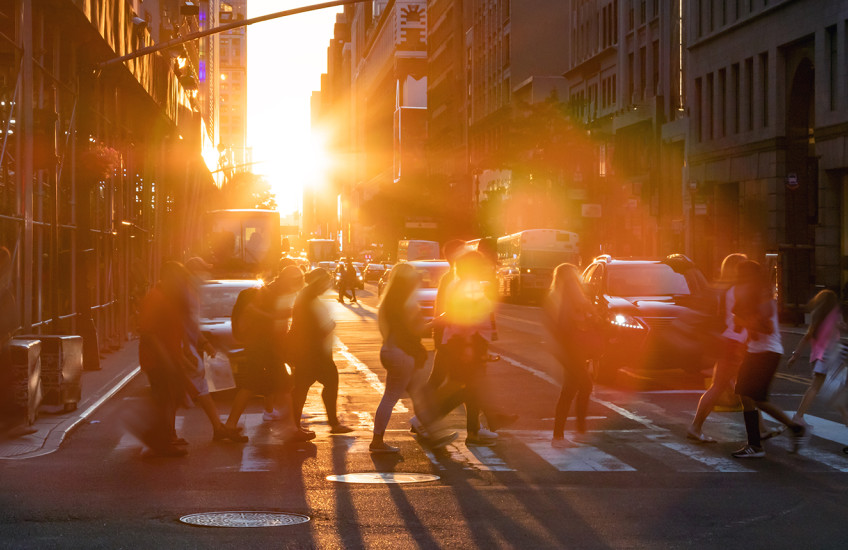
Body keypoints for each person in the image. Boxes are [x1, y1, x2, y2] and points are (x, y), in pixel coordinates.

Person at [731, 260, 807, 458]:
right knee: (746, 395)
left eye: (742, 275)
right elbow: (741, 325)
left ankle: (760, 443)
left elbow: (767, 328)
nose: (739, 279)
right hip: (755, 351)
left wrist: (745, 321)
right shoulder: (749, 295)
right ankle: (760, 442)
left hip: (767, 351)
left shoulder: (764, 296)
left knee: (756, 398)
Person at [222, 270, 309, 443]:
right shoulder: (266, 293)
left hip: (262, 346)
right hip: (263, 346)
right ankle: (290, 429)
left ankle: (230, 425)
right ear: (288, 281)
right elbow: (254, 312)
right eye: (295, 285)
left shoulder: (272, 292)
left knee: (252, 385)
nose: (295, 290)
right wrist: (275, 317)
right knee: (283, 384)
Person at [135, 261, 195, 457]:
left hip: (169, 357)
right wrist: (167, 360)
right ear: (168, 278)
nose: (181, 283)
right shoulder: (155, 298)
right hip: (157, 360)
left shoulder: (168, 297)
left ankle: (168, 436)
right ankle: (161, 442)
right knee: (163, 399)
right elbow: (149, 333)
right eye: (178, 279)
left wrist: (183, 353)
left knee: (171, 398)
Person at [180, 258, 244, 443]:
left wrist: (204, 343)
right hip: (186, 348)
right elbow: (182, 325)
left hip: (191, 347)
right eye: (202, 271)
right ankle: (165, 435)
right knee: (174, 393)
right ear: (193, 273)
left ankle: (218, 427)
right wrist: (186, 349)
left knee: (201, 388)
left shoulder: (192, 293)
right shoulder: (184, 294)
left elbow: (191, 325)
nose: (205, 275)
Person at [687, 253, 748, 443]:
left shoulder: (727, 290)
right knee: (719, 387)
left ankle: (761, 429)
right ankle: (695, 427)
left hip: (731, 341)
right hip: (734, 343)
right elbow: (740, 321)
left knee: (744, 389)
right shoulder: (737, 291)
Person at [370, 263, 430, 453]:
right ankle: (377, 441)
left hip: (388, 350)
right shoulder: (409, 302)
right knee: (392, 397)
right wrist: (440, 320)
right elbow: (418, 329)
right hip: (402, 353)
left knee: (416, 393)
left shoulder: (388, 301)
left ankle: (428, 429)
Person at [289, 268, 353, 435]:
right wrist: (330, 325)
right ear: (319, 283)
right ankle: (329, 424)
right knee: (326, 383)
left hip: (309, 352)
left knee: (302, 388)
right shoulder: (309, 299)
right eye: (325, 283)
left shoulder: (305, 296)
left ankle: (295, 426)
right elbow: (316, 328)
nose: (327, 286)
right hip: (314, 353)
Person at [544, 263, 598, 448]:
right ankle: (570, 434)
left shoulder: (556, 296)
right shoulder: (570, 296)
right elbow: (580, 318)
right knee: (582, 386)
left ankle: (566, 434)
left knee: (573, 388)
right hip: (571, 350)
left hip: (569, 350)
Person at [788, 289, 848, 424]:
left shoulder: (817, 315)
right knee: (832, 390)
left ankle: (799, 416)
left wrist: (795, 355)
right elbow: (842, 328)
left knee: (821, 389)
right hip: (830, 357)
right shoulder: (835, 315)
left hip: (817, 357)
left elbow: (807, 337)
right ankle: (799, 416)